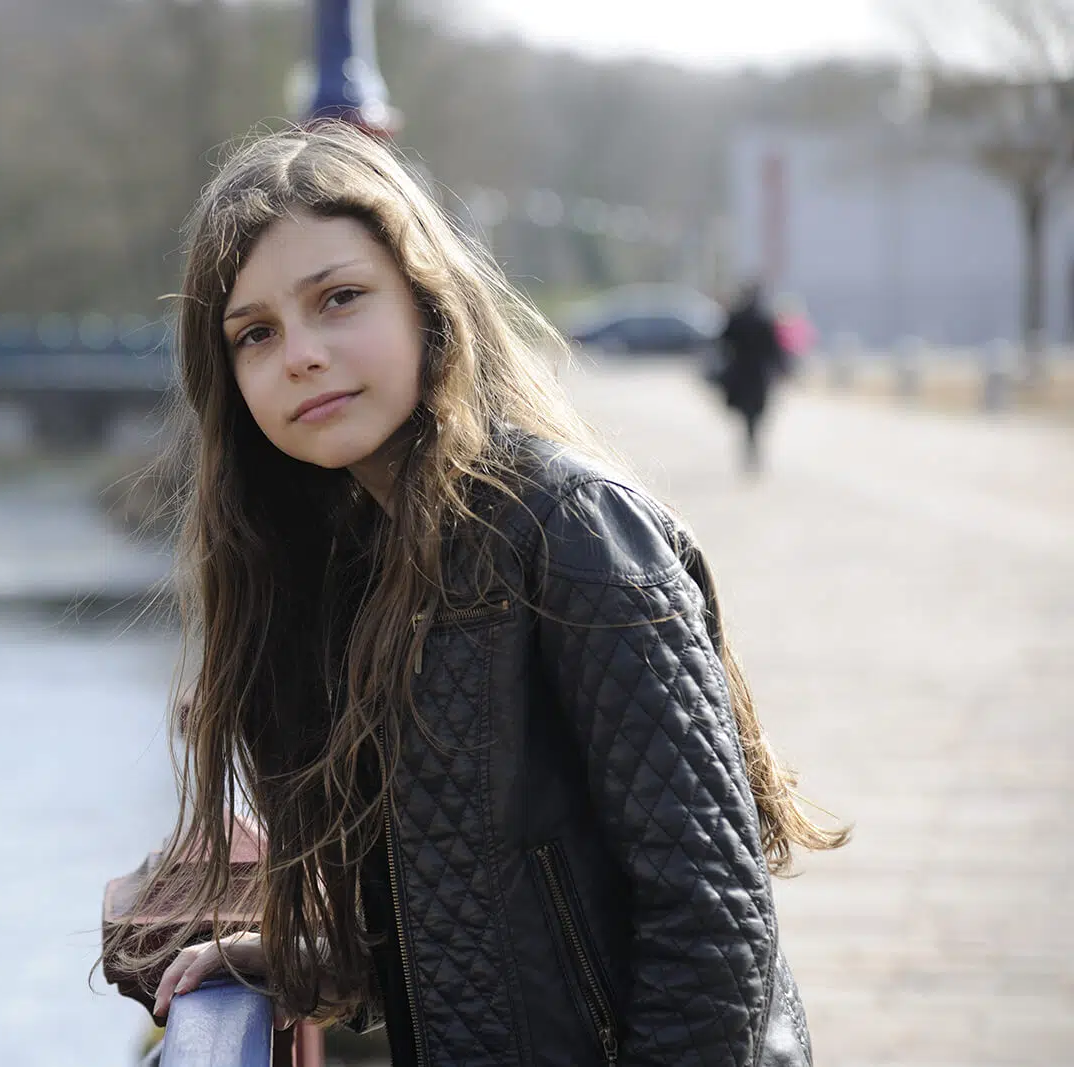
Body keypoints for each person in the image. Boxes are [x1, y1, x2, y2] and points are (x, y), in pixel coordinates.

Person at [110, 122, 847, 1066]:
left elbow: (713, 920)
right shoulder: (348, 571)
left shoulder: (572, 532)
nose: (300, 353)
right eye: (256, 333)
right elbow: (485, 914)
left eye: (339, 299)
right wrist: (324, 962)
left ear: (428, 301)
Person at [716, 282, 788, 474]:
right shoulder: (763, 320)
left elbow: (722, 343)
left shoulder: (737, 319)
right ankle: (752, 449)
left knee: (749, 418)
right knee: (755, 417)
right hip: (757, 376)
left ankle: (751, 449)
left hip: (742, 375)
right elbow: (775, 350)